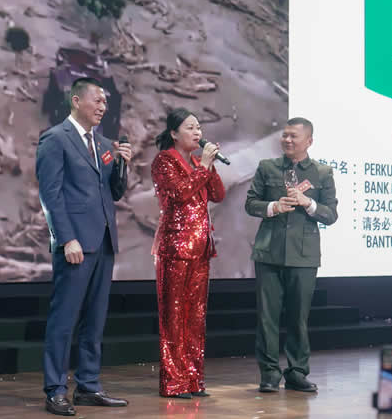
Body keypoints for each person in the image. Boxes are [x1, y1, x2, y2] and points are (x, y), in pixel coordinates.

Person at [36, 77, 132, 416]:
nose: (103, 107)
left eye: (105, 102)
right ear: (76, 101)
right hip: (75, 243)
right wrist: (66, 238)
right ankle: (55, 390)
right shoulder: (55, 139)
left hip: (103, 241)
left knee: (95, 319)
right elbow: (50, 194)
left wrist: (121, 164)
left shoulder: (103, 143)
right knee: (64, 319)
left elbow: (113, 192)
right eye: (97, 100)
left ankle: (88, 385)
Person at [244, 117, 338, 394]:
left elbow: (331, 214)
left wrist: (308, 203)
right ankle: (269, 373)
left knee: (298, 318)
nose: (287, 140)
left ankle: (297, 373)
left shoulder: (322, 172)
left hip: (304, 255)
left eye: (293, 136)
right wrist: (273, 206)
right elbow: (250, 203)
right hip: (268, 251)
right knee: (267, 318)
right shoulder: (267, 167)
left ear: (309, 141)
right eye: (284, 135)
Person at [150, 108, 226, 398]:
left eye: (199, 128)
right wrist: (203, 167)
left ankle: (194, 379)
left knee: (196, 317)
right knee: (174, 316)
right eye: (190, 128)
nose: (197, 133)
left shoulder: (198, 162)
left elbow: (218, 194)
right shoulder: (164, 161)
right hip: (175, 247)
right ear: (174, 133)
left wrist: (209, 166)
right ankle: (173, 382)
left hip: (201, 248)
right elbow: (179, 194)